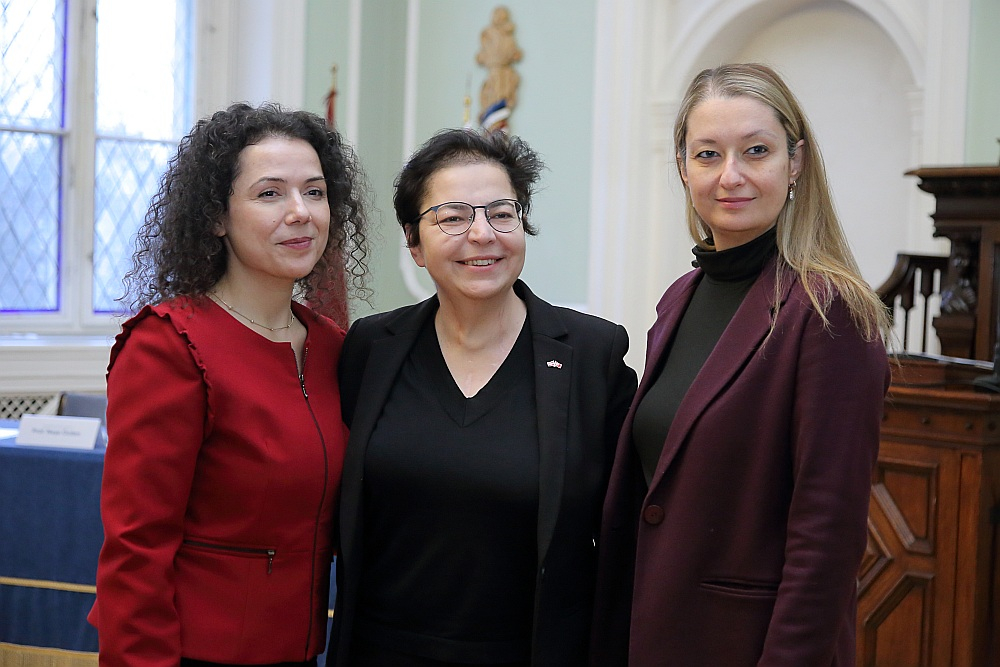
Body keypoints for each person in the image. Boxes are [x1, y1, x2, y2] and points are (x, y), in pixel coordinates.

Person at [590, 63, 891, 666]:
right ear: (683, 167)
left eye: (756, 151)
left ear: (795, 162)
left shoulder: (831, 311)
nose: (731, 175)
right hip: (652, 633)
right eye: (708, 154)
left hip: (749, 647)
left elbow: (826, 540)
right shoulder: (681, 296)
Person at [333, 128, 637, 666]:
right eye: (452, 217)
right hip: (382, 651)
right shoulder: (369, 349)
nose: (483, 234)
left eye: (502, 213)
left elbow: (624, 535)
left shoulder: (593, 356)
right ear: (413, 242)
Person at [88, 101, 370, 667]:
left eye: (315, 192)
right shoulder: (169, 345)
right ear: (217, 216)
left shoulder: (336, 347)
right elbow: (136, 552)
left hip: (303, 653)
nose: (301, 213)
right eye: (270, 194)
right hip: (193, 653)